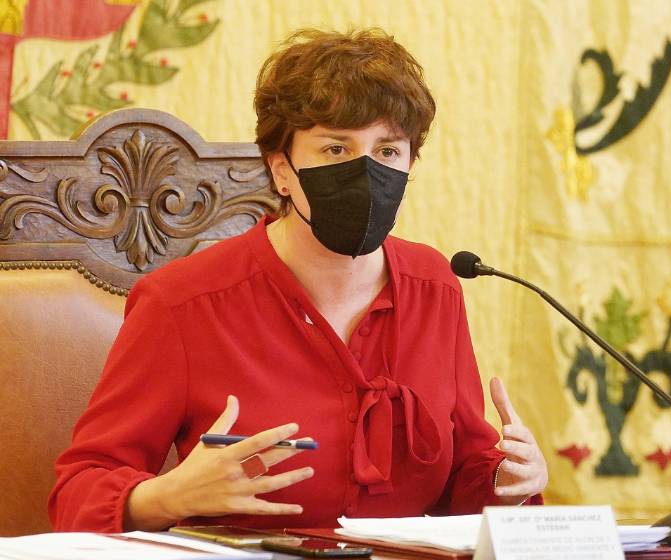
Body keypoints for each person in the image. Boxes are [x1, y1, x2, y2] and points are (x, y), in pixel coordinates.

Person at [48, 28, 548, 533]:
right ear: (281, 170)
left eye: (387, 152)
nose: (366, 171)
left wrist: (508, 480)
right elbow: (78, 493)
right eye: (336, 149)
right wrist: (168, 497)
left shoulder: (435, 285)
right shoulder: (181, 302)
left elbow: (464, 486)